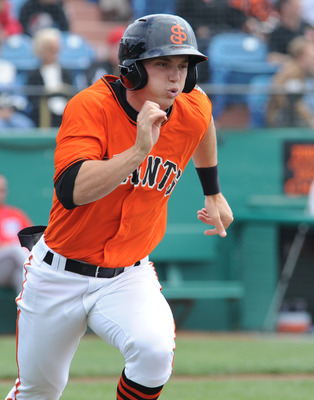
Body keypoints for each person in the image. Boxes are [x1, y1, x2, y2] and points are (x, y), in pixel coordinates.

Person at [5, 14, 233, 400]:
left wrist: (212, 191)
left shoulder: (191, 105)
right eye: (162, 64)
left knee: (154, 351)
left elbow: (204, 120)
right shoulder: (90, 106)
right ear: (133, 69)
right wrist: (139, 150)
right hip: (58, 275)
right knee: (39, 392)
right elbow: (72, 190)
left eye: (182, 66)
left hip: (128, 274)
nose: (176, 77)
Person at [26, 27, 74, 127]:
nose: (53, 54)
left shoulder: (66, 73)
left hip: (66, 116)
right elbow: (33, 99)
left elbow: (72, 94)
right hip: (42, 118)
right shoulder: (34, 74)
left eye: (55, 50)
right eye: (49, 50)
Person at [266, 35, 314, 128]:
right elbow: (295, 104)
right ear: (300, 57)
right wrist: (310, 121)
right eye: (311, 57)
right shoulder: (291, 73)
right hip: (284, 120)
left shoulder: (308, 72)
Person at [0, 174, 32, 294]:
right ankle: (40, 274)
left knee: (21, 274)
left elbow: (33, 243)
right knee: (15, 249)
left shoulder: (16, 214)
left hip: (14, 266)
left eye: (2, 190)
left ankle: (25, 312)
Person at [267, 0, 311, 64]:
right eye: (295, 6)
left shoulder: (307, 27)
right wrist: (294, 60)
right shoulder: (277, 32)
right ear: (285, 7)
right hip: (287, 68)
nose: (299, 8)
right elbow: (272, 57)